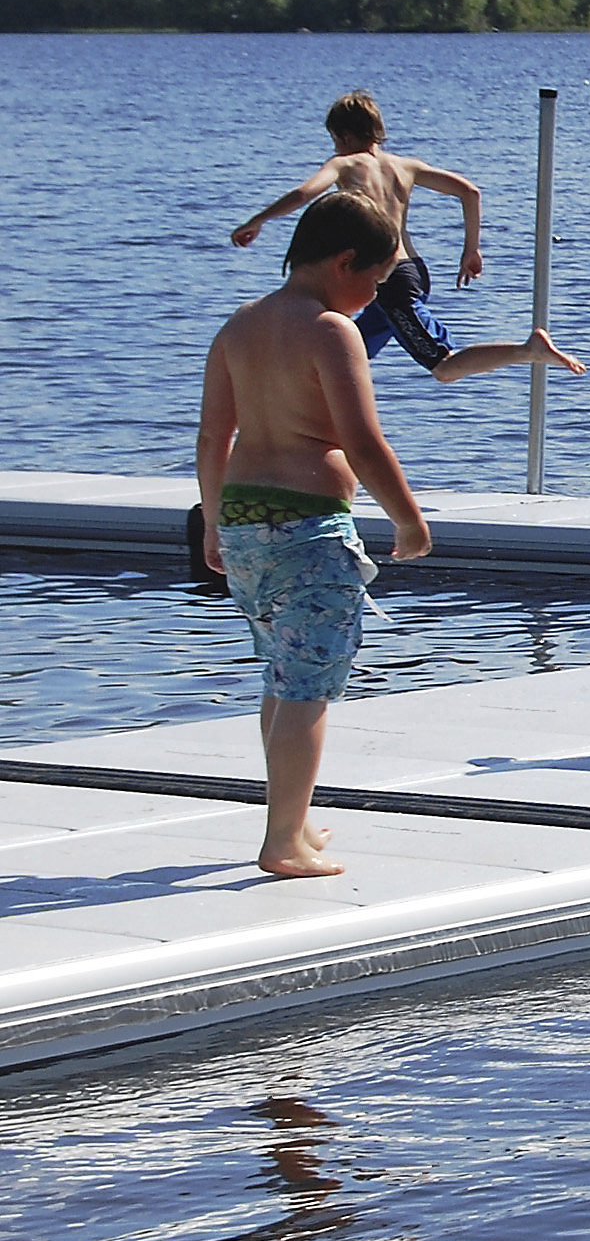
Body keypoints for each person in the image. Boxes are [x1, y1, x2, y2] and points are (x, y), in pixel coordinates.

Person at [197, 191, 434, 880]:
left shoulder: (240, 325)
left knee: (281, 671)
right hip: (308, 531)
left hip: (243, 521)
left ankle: (293, 820)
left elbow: (215, 435)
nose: (374, 298)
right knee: (307, 684)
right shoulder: (333, 330)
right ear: (343, 262)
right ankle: (280, 842)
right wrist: (407, 519)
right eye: (376, 281)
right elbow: (362, 440)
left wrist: (213, 519)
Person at [230, 89, 585, 385]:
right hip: (410, 269)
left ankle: (528, 350)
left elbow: (303, 195)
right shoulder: (405, 166)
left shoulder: (343, 165)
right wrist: (471, 250)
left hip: (389, 283)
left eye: (335, 141)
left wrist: (257, 221)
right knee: (345, 354)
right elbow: (470, 193)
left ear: (344, 137)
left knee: (444, 366)